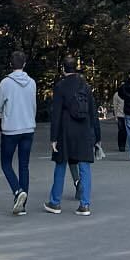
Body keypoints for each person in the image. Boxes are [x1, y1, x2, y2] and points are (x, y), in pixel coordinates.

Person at [46, 56, 101, 213]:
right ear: (75, 68)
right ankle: (85, 204)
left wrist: (53, 138)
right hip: (84, 131)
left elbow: (55, 113)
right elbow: (93, 113)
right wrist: (97, 137)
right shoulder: (86, 86)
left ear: (63, 69)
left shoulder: (60, 87)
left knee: (61, 164)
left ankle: (55, 202)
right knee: (85, 166)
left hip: (65, 131)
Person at [0, 49, 37, 215]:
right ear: (25, 64)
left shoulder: (5, 83)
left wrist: (3, 113)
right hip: (28, 127)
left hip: (11, 128)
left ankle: (17, 191)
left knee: (6, 163)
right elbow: (34, 105)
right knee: (24, 165)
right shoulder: (32, 82)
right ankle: (22, 205)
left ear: (10, 64)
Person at [113, 88, 127, 152]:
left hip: (127, 115)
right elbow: (115, 106)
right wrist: (115, 116)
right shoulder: (116, 94)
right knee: (121, 131)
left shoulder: (128, 93)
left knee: (126, 131)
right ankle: (121, 146)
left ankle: (123, 144)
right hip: (119, 115)